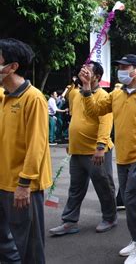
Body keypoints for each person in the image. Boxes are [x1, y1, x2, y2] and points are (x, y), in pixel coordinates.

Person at [78, 54, 136, 264]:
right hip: (122, 157)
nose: (121, 70)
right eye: (119, 67)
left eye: (125, 67)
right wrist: (87, 87)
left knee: (134, 201)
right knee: (129, 201)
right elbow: (95, 111)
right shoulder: (116, 94)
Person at [49, 61, 117, 237]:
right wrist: (71, 143)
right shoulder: (75, 94)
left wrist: (101, 146)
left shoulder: (103, 96)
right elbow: (75, 119)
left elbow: (105, 121)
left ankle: (109, 217)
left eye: (89, 70)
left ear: (98, 77)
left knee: (103, 185)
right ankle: (69, 221)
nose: (84, 71)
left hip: (96, 151)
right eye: (83, 69)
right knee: (75, 187)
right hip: (77, 150)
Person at [0, 38, 52, 263]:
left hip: (22, 186)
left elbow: (37, 144)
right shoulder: (3, 97)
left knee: (30, 247)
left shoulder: (34, 99)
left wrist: (24, 184)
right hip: (2, 181)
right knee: (5, 243)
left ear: (12, 66)